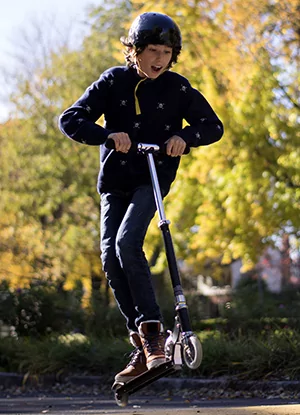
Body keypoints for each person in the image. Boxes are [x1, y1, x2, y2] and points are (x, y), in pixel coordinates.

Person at [58, 12, 224, 384]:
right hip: (116, 181)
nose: (160, 59)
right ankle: (143, 342)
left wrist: (185, 138)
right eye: (152, 50)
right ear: (134, 49)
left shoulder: (178, 89)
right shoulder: (114, 81)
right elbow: (70, 118)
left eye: (167, 52)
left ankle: (154, 334)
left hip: (152, 177)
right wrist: (106, 135)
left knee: (127, 242)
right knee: (108, 254)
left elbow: (212, 126)